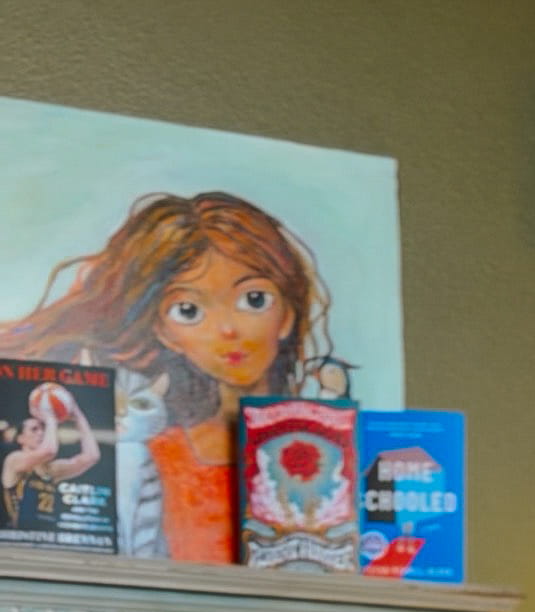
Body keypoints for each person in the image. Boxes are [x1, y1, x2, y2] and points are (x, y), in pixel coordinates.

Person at [0, 191, 333, 561]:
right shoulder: (156, 455)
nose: (226, 330)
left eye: (254, 299)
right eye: (188, 309)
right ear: (163, 331)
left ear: (286, 313)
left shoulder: (329, 454)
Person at [0, 382, 101, 533]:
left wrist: (77, 414)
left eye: (43, 429)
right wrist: (50, 417)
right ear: (20, 438)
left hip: (46, 539)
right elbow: (49, 450)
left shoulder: (51, 469)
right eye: (34, 429)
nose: (41, 433)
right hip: (17, 540)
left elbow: (92, 456)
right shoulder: (14, 459)